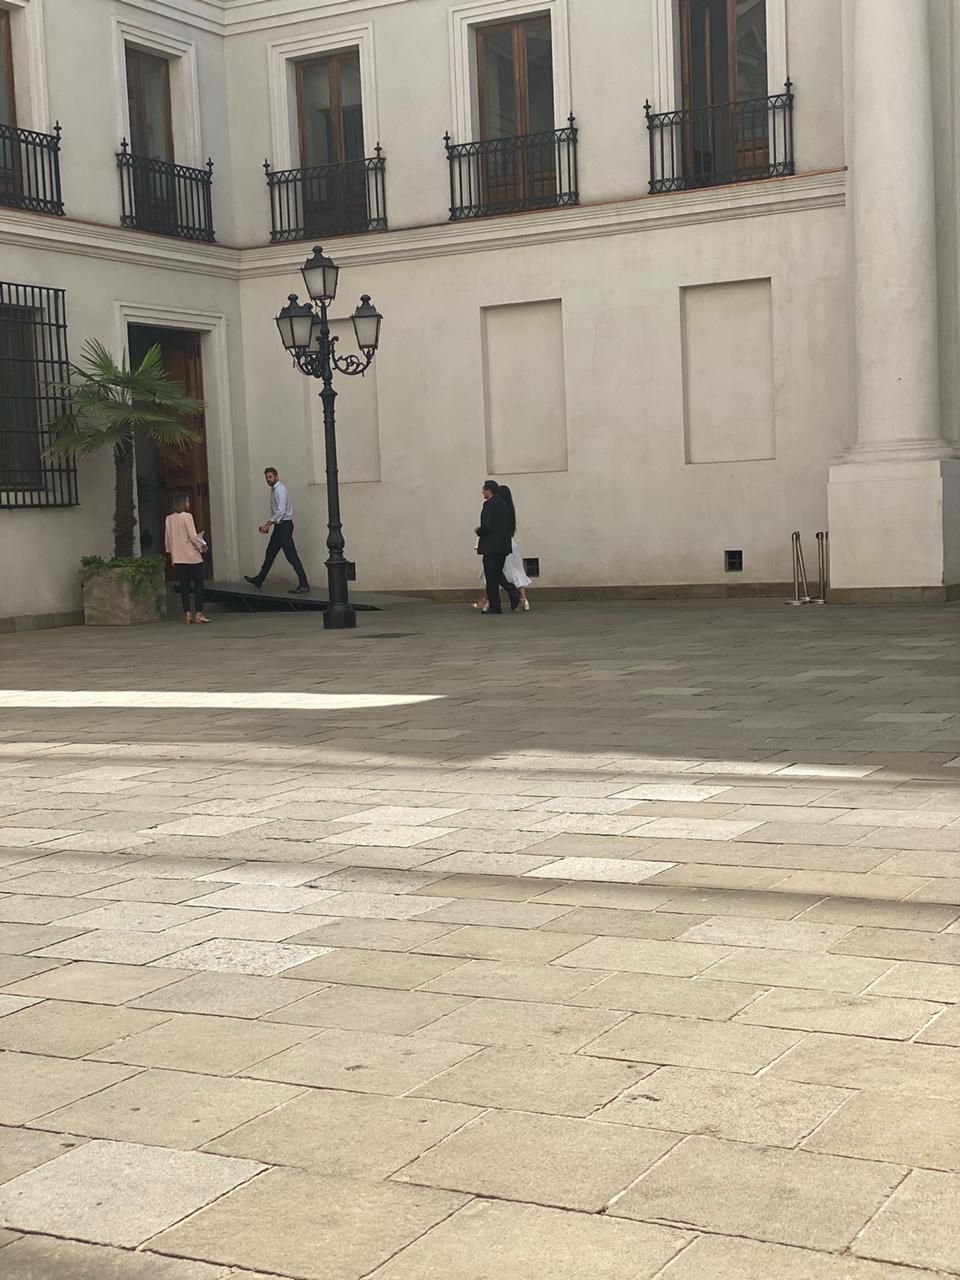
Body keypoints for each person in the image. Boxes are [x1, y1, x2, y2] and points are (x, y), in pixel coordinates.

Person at [244, 467, 310, 594]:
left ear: (276, 476)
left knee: (291, 555)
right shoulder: (274, 490)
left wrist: (268, 524)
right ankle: (259, 579)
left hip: (284, 526)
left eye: (270, 477)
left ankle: (304, 584)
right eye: (266, 477)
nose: (268, 480)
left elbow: (281, 511)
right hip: (280, 526)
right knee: (270, 553)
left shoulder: (280, 490)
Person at [473, 484, 532, 612]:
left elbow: (487, 526)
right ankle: (513, 593)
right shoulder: (505, 506)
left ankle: (495, 605)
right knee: (497, 573)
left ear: (489, 490)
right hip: (504, 546)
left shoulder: (489, 505)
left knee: (491, 575)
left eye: (484, 490)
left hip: (491, 546)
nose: (482, 492)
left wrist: (479, 531)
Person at [164, 494, 209, 624]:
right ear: (183, 503)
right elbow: (193, 536)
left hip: (178, 557)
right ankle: (199, 613)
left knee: (184, 586)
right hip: (192, 557)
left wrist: (171, 554)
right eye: (188, 502)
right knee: (198, 585)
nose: (189, 504)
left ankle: (187, 613)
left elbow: (168, 539)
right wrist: (202, 546)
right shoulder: (187, 517)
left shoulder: (168, 519)